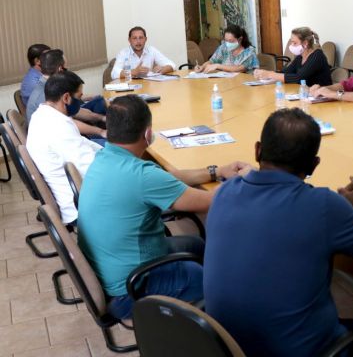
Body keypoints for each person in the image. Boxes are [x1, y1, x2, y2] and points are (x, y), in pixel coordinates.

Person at [204, 108, 353, 357]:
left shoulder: (224, 192)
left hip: (226, 345)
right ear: (314, 164)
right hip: (300, 351)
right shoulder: (322, 205)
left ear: (257, 150)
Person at [77, 95, 249, 319]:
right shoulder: (141, 176)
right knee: (212, 283)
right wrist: (244, 180)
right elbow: (212, 202)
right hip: (130, 291)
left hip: (111, 272)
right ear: (147, 134)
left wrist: (216, 171)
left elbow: (166, 178)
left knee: (195, 245)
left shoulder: (105, 157)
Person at [26, 71, 101, 225]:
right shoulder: (58, 127)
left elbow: (81, 142)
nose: (80, 102)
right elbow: (91, 169)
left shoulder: (42, 115)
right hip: (80, 207)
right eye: (79, 97)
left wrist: (104, 150)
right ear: (66, 98)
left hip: (77, 192)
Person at [25, 50, 107, 144]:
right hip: (59, 139)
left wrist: (101, 120)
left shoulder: (51, 85)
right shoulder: (45, 94)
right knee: (115, 145)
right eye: (67, 68)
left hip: (64, 134)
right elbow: (68, 122)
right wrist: (100, 131)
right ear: (60, 69)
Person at [252, 26, 332, 86]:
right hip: (306, 94)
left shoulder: (317, 56)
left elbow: (298, 78)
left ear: (305, 43)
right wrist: (264, 74)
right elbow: (285, 72)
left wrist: (270, 74)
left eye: (294, 43)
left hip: (321, 98)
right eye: (291, 42)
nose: (291, 45)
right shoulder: (300, 57)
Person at [110, 26, 176, 80]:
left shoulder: (151, 50)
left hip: (148, 87)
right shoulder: (123, 53)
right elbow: (114, 73)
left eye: (141, 38)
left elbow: (172, 65)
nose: (138, 41)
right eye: (134, 38)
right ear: (129, 40)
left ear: (145, 39)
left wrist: (160, 70)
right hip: (130, 89)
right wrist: (133, 72)